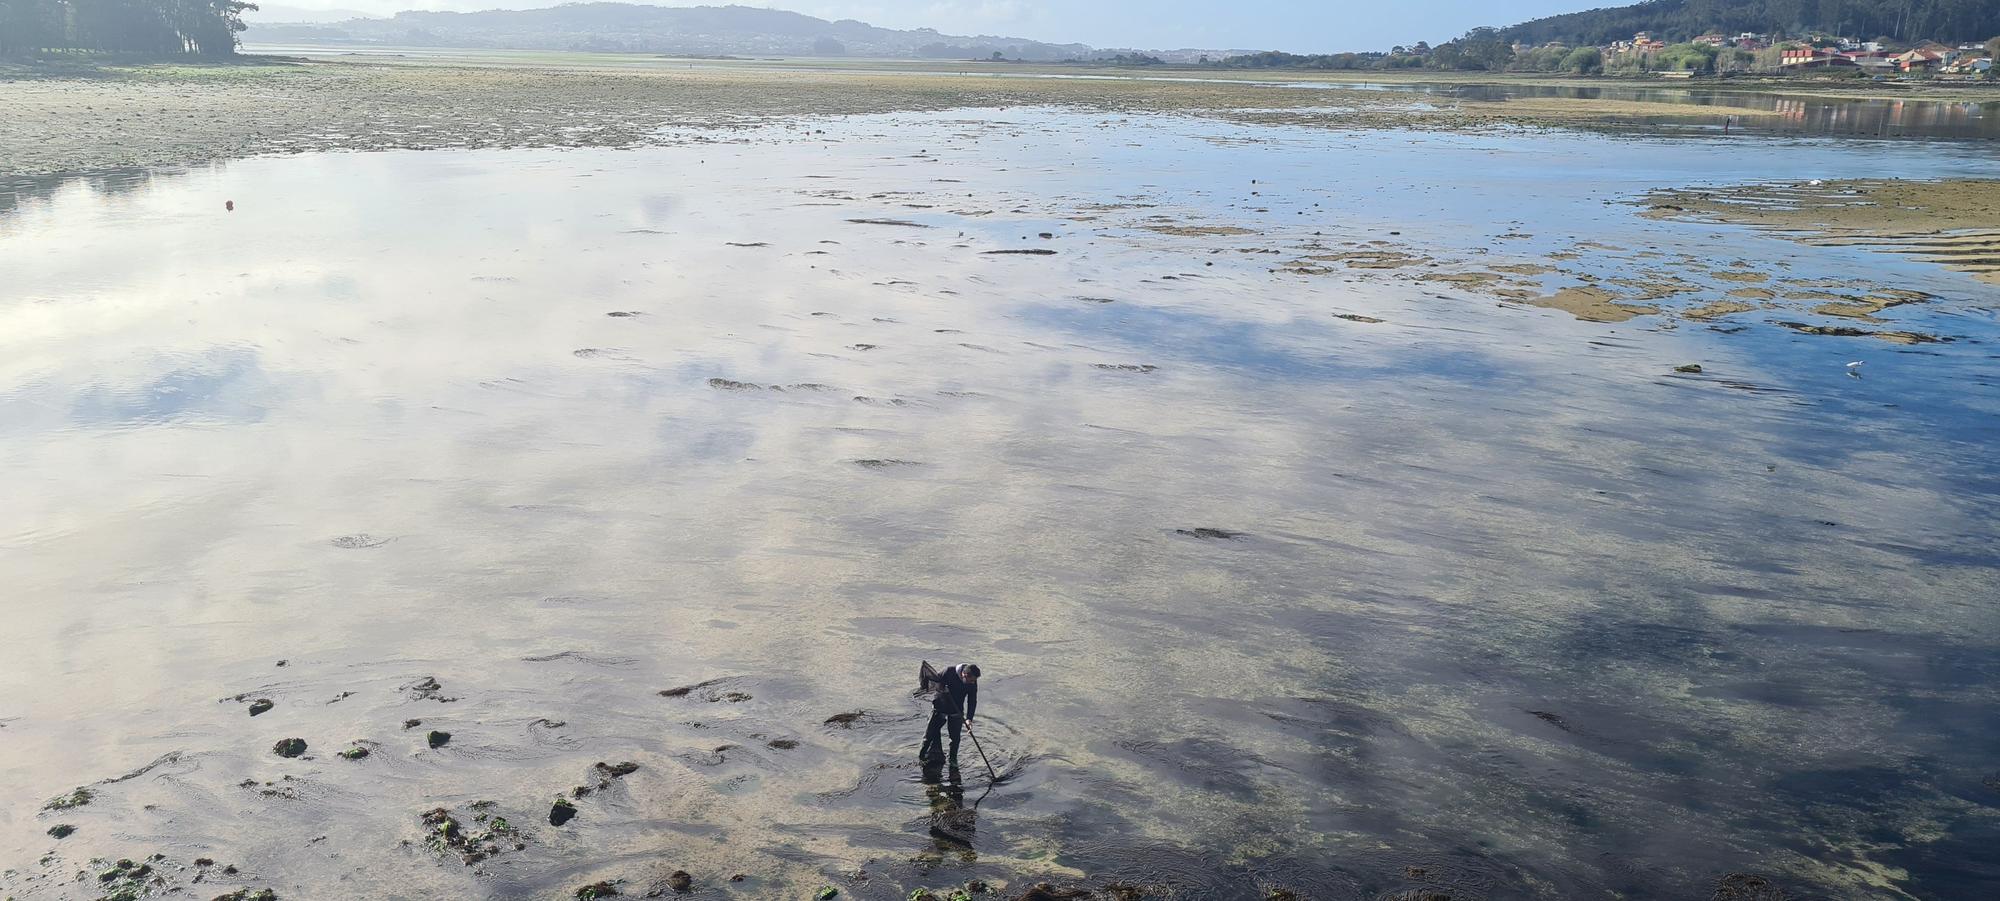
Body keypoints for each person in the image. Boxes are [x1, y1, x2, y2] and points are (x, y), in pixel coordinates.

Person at [919, 662, 980, 764]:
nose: (973, 683)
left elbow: (972, 700)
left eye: (974, 681)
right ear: (964, 675)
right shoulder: (948, 672)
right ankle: (921, 757)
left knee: (955, 739)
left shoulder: (973, 682)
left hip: (956, 711)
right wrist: (942, 688)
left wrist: (969, 719)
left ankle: (953, 761)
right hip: (940, 707)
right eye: (971, 680)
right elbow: (934, 683)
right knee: (929, 736)